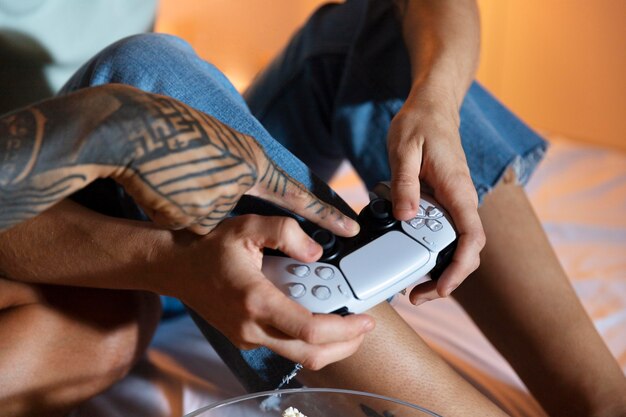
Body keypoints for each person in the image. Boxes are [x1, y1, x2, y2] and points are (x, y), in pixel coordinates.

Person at [1, 1, 624, 416]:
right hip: (40, 219)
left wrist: (436, 98)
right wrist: (164, 261)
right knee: (143, 68)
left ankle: (601, 399)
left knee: (368, 33)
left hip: (141, 172)